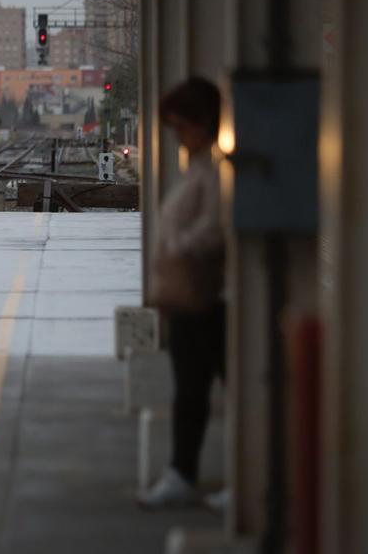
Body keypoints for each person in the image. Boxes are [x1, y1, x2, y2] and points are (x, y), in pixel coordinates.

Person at [138, 77, 228, 511]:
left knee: (202, 389)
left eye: (181, 125)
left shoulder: (215, 171)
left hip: (209, 299)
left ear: (203, 121)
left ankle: (195, 475)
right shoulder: (198, 167)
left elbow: (215, 229)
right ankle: (181, 472)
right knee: (191, 389)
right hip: (190, 298)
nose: (176, 134)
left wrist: (176, 248)